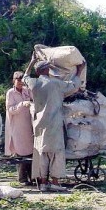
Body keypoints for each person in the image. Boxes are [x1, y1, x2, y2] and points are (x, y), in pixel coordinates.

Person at [23, 57, 84, 192]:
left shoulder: (33, 84)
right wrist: (79, 71)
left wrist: (32, 62)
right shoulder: (55, 83)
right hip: (54, 123)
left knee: (42, 152)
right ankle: (55, 182)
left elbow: (25, 77)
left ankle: (43, 183)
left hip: (39, 124)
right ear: (46, 70)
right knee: (56, 152)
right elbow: (73, 86)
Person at [4, 71, 34, 185]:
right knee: (20, 152)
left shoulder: (27, 91)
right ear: (14, 81)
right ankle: (22, 178)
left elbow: (34, 100)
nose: (21, 83)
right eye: (18, 81)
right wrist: (21, 104)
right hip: (17, 126)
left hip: (28, 125)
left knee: (30, 152)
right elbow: (10, 109)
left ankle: (32, 177)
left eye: (22, 81)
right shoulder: (10, 93)